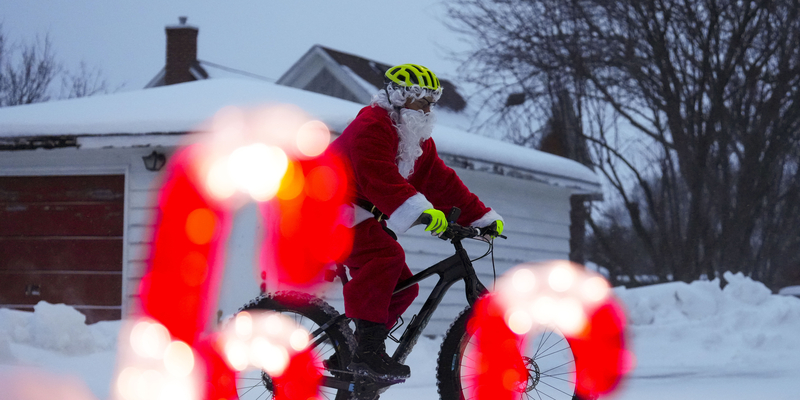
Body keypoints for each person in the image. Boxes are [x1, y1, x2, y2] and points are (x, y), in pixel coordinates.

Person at [328, 64, 504, 380]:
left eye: (430, 104)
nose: (427, 110)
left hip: (356, 214)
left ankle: (357, 348)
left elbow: (441, 181)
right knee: (386, 256)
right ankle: (366, 353)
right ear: (397, 97)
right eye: (421, 101)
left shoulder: (412, 138)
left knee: (404, 288)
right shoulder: (371, 127)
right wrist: (420, 211)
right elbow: (378, 179)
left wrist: (480, 216)